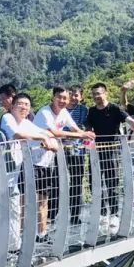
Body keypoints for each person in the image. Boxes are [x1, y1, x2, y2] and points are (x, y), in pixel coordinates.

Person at [0, 92, 59, 251]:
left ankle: (14, 246)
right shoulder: (8, 118)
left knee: (15, 209)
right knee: (1, 212)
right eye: (20, 104)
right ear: (12, 106)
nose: (24, 107)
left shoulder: (25, 122)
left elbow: (44, 132)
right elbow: (17, 134)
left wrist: (50, 139)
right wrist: (44, 139)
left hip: (12, 174)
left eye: (27, 105)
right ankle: (4, 249)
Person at [33, 87, 96, 237]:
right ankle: (35, 233)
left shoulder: (63, 112)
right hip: (34, 158)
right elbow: (55, 132)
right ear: (53, 97)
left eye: (65, 98)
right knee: (37, 197)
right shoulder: (45, 112)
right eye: (59, 97)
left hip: (48, 157)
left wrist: (86, 134)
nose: (62, 101)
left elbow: (74, 127)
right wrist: (81, 136)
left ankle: (41, 232)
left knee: (45, 194)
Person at [85, 83, 129, 225]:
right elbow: (88, 127)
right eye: (94, 94)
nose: (96, 96)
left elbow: (128, 119)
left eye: (99, 93)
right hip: (96, 151)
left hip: (112, 151)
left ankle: (114, 214)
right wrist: (88, 138)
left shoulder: (114, 108)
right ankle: (102, 213)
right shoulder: (91, 111)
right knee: (94, 182)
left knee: (112, 183)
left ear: (105, 93)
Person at [64, 85, 90, 227]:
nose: (73, 98)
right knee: (57, 182)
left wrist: (86, 145)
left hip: (78, 150)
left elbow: (88, 128)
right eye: (71, 94)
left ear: (81, 97)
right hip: (60, 149)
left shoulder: (84, 110)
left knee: (76, 182)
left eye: (76, 95)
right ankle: (53, 215)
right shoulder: (61, 109)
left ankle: (75, 215)